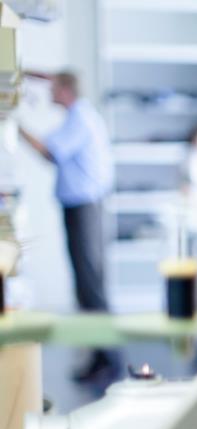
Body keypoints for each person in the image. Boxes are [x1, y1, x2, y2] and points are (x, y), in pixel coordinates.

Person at [19, 70, 116, 382]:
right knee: (87, 285)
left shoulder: (79, 118)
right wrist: (31, 73)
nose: (49, 94)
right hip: (83, 208)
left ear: (65, 90)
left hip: (83, 209)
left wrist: (13, 124)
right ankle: (102, 355)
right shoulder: (81, 115)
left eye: (53, 89)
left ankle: (107, 358)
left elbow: (50, 152)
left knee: (90, 287)